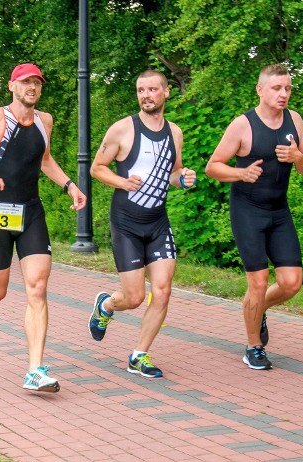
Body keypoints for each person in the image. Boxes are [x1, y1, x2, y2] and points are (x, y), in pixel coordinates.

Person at [0, 63, 86, 392]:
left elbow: (44, 160)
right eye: (26, 81)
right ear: (12, 85)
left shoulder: (45, 121)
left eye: (37, 82)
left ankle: (35, 370)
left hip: (31, 211)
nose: (32, 87)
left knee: (37, 289)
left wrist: (70, 185)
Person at [89, 70, 196, 378]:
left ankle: (139, 355)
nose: (146, 95)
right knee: (134, 298)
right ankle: (107, 306)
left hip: (158, 222)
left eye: (152, 89)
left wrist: (183, 179)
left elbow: (172, 174)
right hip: (126, 222)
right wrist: (122, 182)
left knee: (162, 291)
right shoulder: (123, 129)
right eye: (140, 90)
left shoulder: (175, 133)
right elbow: (97, 168)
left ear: (165, 93)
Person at [205, 64, 303, 370]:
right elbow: (213, 166)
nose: (283, 94)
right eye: (277, 88)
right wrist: (240, 172)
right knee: (259, 282)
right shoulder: (243, 125)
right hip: (248, 211)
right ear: (260, 90)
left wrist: (298, 158)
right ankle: (253, 347)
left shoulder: (295, 120)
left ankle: (257, 309)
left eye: (288, 88)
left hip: (279, 212)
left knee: (292, 283)